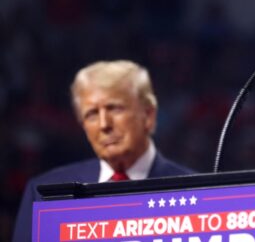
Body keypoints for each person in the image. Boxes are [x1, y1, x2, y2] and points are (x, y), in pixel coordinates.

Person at [12, 60, 194, 242]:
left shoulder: (195, 195)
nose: (104, 125)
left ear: (148, 115)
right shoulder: (45, 197)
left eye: (114, 109)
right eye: (91, 114)